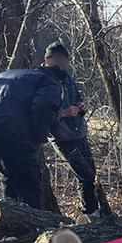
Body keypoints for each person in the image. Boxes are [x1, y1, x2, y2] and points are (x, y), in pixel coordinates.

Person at [0, 67, 62, 209]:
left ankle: (11, 219)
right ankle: (35, 224)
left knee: (11, 173)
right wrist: (39, 137)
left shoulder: (6, 75)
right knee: (29, 178)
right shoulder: (50, 82)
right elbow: (43, 107)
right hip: (6, 125)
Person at [42, 41, 100, 217]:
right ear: (49, 59)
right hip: (62, 136)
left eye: (65, 62)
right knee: (85, 174)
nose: (63, 65)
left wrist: (80, 107)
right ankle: (90, 214)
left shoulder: (67, 77)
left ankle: (93, 212)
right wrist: (65, 112)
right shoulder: (41, 79)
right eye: (60, 62)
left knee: (91, 172)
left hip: (79, 131)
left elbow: (78, 98)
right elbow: (43, 113)